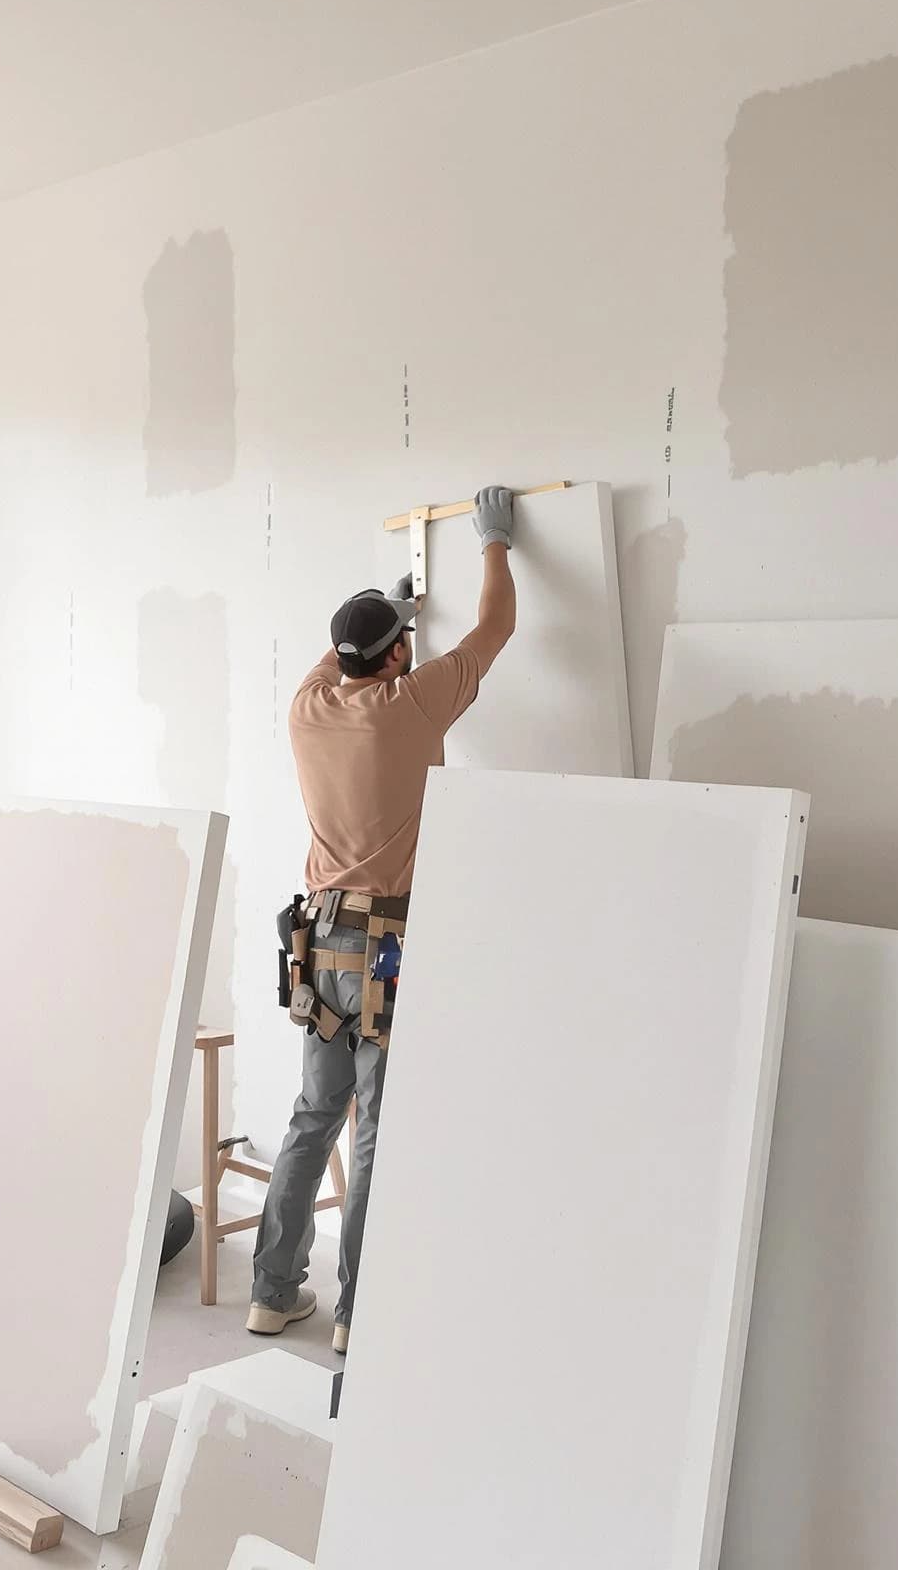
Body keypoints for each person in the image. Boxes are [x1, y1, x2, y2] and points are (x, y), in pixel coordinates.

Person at [247, 485, 520, 1353]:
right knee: (377, 1132)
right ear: (400, 656)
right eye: (404, 642)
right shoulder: (415, 705)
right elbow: (493, 633)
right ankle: (357, 1315)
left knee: (310, 1117)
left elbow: (341, 657)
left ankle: (271, 1292)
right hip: (390, 948)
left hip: (316, 944)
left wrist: (384, 617)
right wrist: (494, 546)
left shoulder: (307, 709)